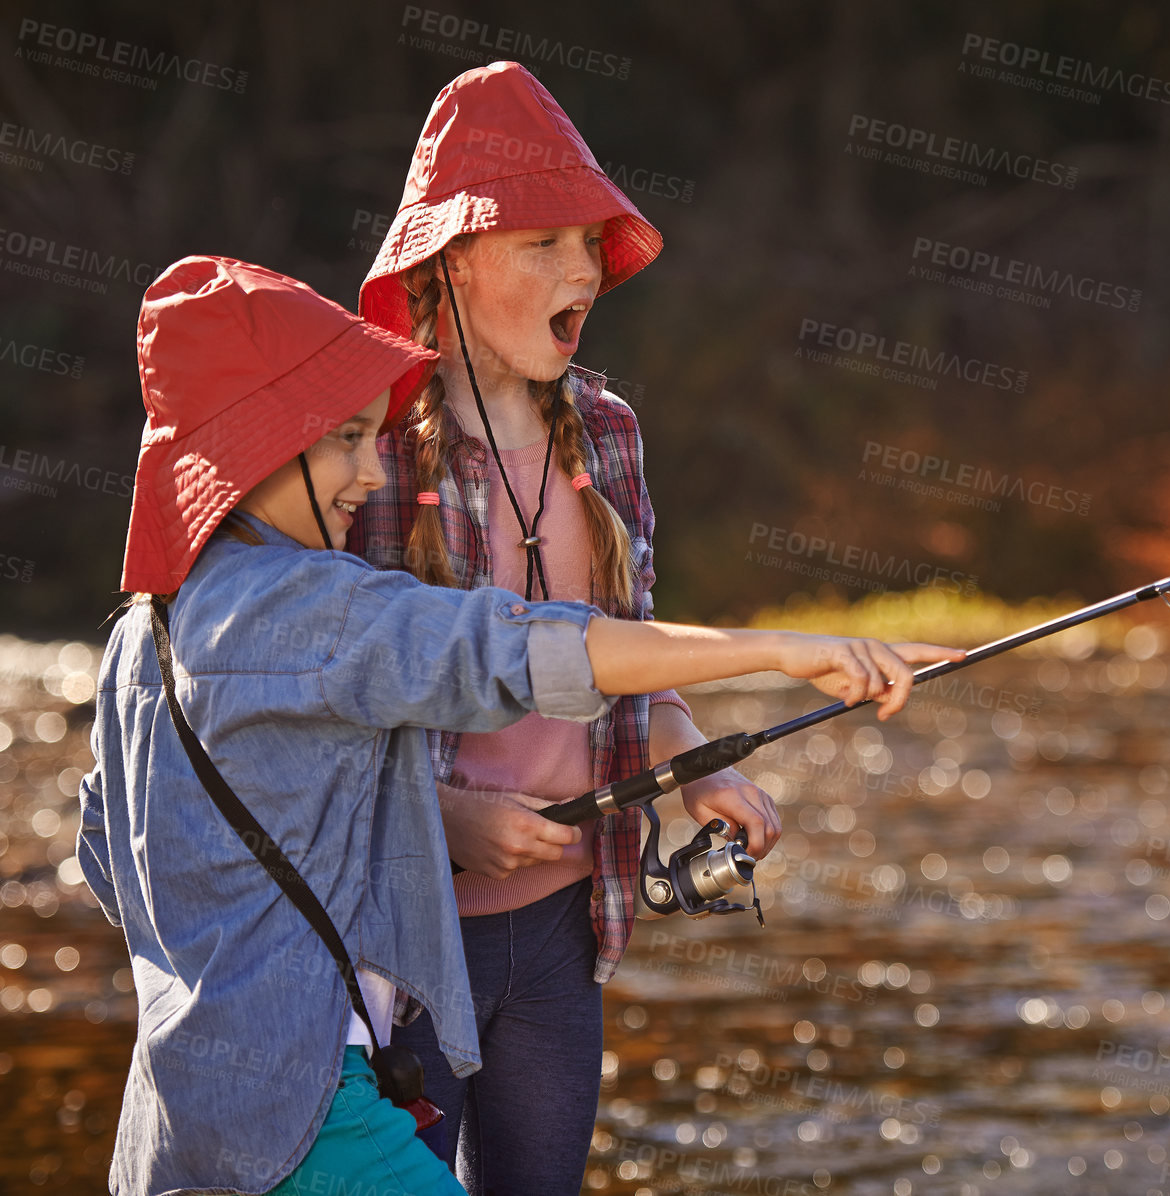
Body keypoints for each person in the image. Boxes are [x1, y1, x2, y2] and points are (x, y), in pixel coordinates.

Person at [77, 255, 961, 1196]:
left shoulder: (147, 626)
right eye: (341, 438)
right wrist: (780, 648)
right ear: (256, 442)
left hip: (177, 1115)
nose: (369, 471)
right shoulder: (312, 605)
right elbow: (521, 647)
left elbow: (110, 850)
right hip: (306, 1117)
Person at [347, 60, 789, 1191]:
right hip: (397, 935)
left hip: (560, 931)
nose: (582, 268)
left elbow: (633, 655)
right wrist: (443, 814)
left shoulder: (612, 428)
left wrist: (700, 769)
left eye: (589, 243)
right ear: (450, 259)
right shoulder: (365, 440)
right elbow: (308, 700)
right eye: (543, 243)